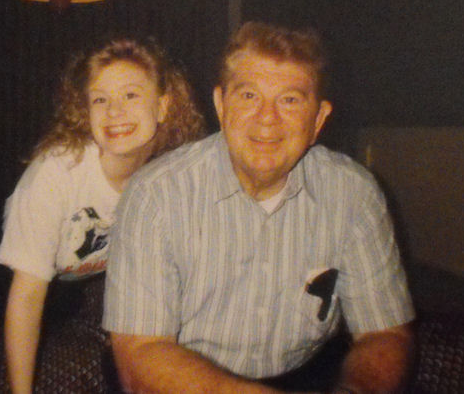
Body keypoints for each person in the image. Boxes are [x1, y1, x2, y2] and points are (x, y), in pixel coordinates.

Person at [103, 21, 415, 394]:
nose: (267, 118)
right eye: (249, 95)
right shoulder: (155, 195)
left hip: (307, 377)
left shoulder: (355, 193)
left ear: (318, 119)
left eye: (290, 100)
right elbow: (141, 353)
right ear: (221, 105)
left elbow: (384, 332)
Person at [0, 36, 206, 394]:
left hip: (78, 282)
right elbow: (26, 296)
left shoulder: (171, 172)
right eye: (100, 99)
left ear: (163, 106)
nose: (114, 111)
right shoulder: (57, 171)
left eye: (130, 95)